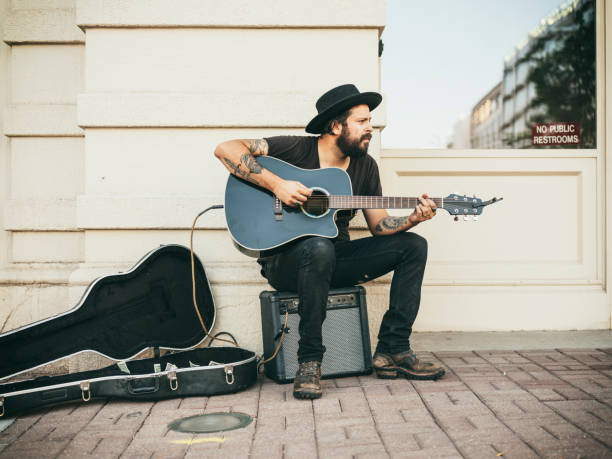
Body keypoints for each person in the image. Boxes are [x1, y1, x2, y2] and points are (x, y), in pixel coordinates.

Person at [214, 84, 445, 400]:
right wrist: (278, 186)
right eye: (362, 121)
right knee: (318, 247)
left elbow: (380, 225)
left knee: (414, 245)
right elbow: (226, 148)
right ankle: (309, 360)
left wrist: (412, 219)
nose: (370, 128)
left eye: (370, 122)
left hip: (335, 259)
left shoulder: (365, 166)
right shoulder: (295, 149)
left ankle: (393, 349)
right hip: (285, 263)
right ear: (336, 125)